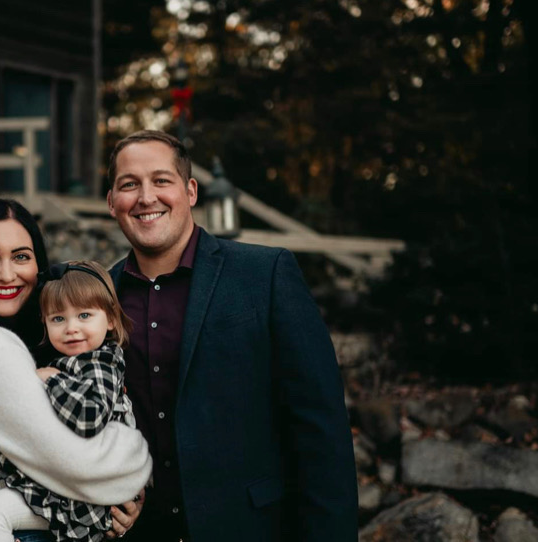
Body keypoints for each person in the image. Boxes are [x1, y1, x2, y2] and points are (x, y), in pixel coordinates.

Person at [105, 131, 358, 541]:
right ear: (112, 202)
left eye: (161, 180)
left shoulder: (266, 274)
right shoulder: (98, 297)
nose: (146, 196)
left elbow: (321, 432)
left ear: (190, 191)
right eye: (129, 184)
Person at [0, 199, 152, 542]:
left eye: (21, 256)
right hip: (14, 527)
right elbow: (67, 458)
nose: (6, 272)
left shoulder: (12, 341)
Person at [0, 260, 144, 542]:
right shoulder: (72, 363)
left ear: (111, 319)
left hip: (87, 499)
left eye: (85, 315)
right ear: (45, 322)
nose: (71, 328)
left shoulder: (99, 364)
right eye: (58, 319)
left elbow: (89, 417)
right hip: (75, 488)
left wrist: (51, 381)